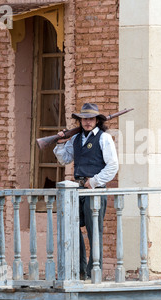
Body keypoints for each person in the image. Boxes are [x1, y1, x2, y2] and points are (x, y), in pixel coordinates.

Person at [53, 103, 119, 280]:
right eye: (84, 119)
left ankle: (93, 271)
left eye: (91, 119)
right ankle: (81, 270)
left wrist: (95, 182)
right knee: (74, 228)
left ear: (97, 120)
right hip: (77, 189)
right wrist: (60, 143)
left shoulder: (104, 138)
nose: (88, 122)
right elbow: (64, 159)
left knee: (93, 231)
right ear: (80, 121)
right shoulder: (75, 139)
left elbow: (113, 166)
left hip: (94, 190)